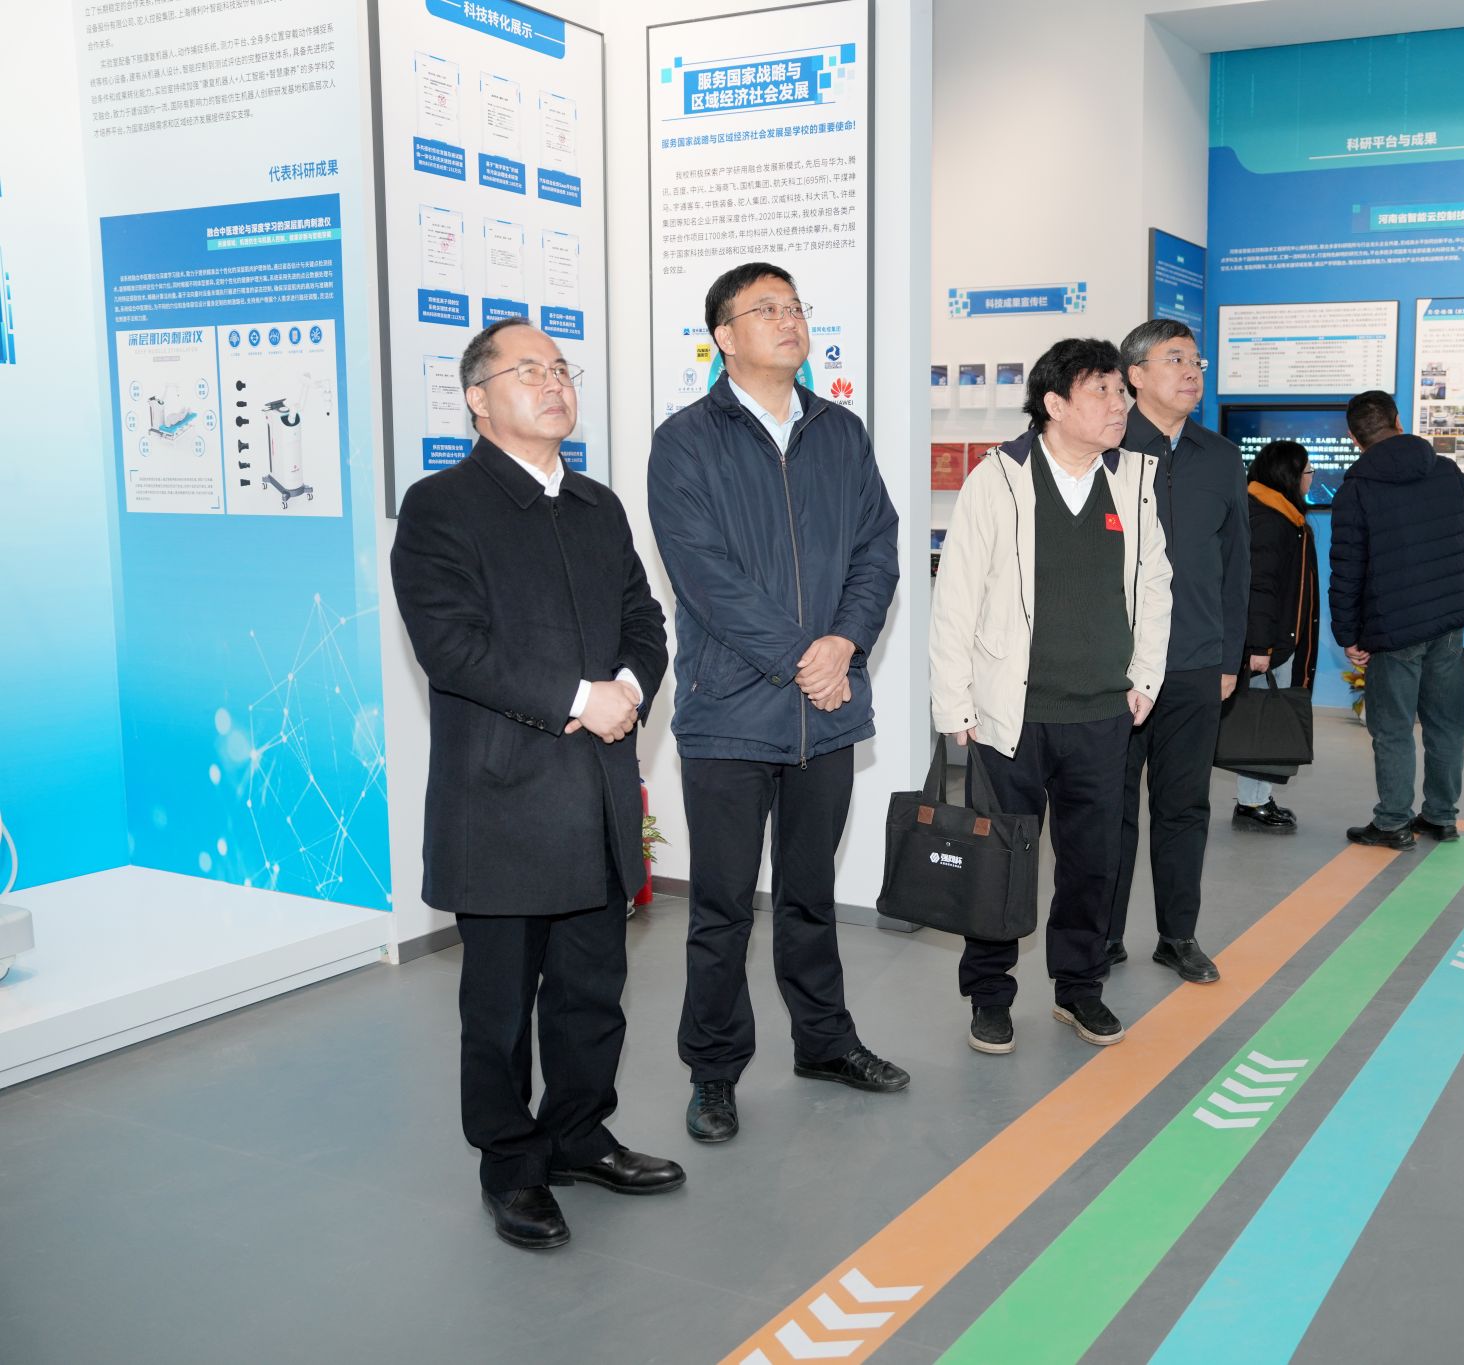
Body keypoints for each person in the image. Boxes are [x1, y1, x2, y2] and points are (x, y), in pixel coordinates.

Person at [391, 318, 683, 1252]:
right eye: (528, 370)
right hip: (502, 800)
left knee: (593, 989)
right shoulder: (441, 507)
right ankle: (512, 1165)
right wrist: (580, 699)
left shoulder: (597, 504)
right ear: (477, 399)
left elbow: (645, 618)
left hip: (595, 791)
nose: (554, 383)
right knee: (500, 1006)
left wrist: (629, 685)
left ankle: (580, 1134)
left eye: (560, 368)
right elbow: (452, 647)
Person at [646, 262, 907, 1146]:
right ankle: (714, 1071)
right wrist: (806, 655)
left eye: (795, 306)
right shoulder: (686, 441)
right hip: (730, 712)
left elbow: (878, 548)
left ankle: (825, 1042)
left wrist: (845, 644)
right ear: (724, 337)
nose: (789, 319)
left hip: (824, 712)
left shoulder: (840, 432)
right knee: (722, 907)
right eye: (767, 309)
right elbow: (704, 577)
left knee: (810, 894)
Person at [929, 338, 1173, 1053]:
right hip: (1011, 715)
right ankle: (990, 996)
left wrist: (1146, 676)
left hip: (1102, 711)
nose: (1119, 405)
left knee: (1093, 862)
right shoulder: (998, 479)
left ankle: (1079, 988)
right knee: (1000, 861)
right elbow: (956, 597)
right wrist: (954, 703)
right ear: (1055, 404)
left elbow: (1155, 585)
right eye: (1102, 391)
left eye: (1121, 392)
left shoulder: (1132, 480)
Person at [1106, 319, 1248, 985]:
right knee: (1108, 808)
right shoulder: (1103, 448)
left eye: (1196, 361)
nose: (1192, 372)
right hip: (1112, 666)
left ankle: (1177, 935)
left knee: (1185, 805)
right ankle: (1102, 936)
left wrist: (1229, 657)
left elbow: (1237, 565)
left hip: (1194, 661)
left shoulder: (1220, 457)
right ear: (1135, 375)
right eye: (1175, 360)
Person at [1329, 391, 1464, 851]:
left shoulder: (1356, 489)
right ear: (1398, 421)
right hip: (1447, 620)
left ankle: (1392, 822)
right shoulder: (1447, 472)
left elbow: (1347, 569)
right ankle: (1440, 816)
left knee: (1392, 728)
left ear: (1353, 436)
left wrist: (1348, 634)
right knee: (1446, 724)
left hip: (1393, 626)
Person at [1225, 439, 1320, 833]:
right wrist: (1261, 646)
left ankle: (1256, 798)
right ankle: (1252, 802)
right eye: (1308, 471)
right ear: (1290, 475)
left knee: (1262, 718)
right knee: (1261, 722)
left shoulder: (1278, 514)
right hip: (1271, 644)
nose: (1311, 478)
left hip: (1278, 639)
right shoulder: (1269, 518)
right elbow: (1259, 588)